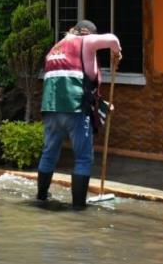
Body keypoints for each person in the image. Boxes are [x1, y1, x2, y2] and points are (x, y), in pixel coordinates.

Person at [36, 20, 121, 209]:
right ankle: (78, 207)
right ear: (87, 33)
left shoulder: (54, 50)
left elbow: (69, 81)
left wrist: (102, 105)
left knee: (49, 153)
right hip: (75, 110)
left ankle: (41, 197)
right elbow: (112, 39)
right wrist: (117, 53)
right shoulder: (84, 42)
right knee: (83, 158)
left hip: (51, 110)